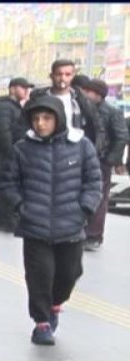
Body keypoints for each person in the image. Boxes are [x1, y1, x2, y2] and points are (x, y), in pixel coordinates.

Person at [0, 96, 102, 346]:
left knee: (69, 273)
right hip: (35, 227)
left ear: (59, 119)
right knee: (39, 276)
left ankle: (56, 303)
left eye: (46, 118)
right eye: (36, 119)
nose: (40, 124)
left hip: (71, 226)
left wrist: (84, 209)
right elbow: (9, 183)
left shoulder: (81, 146)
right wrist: (21, 207)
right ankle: (42, 322)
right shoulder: (22, 148)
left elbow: (94, 181)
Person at [77, 78, 129, 251]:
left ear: (97, 94)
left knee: (99, 198)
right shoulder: (82, 110)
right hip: (82, 159)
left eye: (88, 91)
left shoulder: (112, 112)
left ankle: (94, 234)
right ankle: (81, 230)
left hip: (101, 160)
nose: (84, 94)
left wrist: (110, 160)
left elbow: (121, 137)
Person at [25, 59, 103, 153]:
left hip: (74, 150)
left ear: (73, 76)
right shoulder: (37, 100)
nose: (63, 78)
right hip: (42, 149)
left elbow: (98, 127)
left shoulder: (81, 100)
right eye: (59, 74)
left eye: (67, 74)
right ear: (51, 76)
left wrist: (94, 151)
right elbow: (23, 126)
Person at [0, 77, 33, 232]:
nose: (26, 90)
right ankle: (5, 221)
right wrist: (11, 153)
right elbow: (3, 132)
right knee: (6, 186)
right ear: (12, 89)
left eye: (27, 88)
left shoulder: (15, 107)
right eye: (23, 87)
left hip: (13, 154)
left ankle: (10, 219)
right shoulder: (4, 107)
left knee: (12, 185)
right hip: (6, 155)